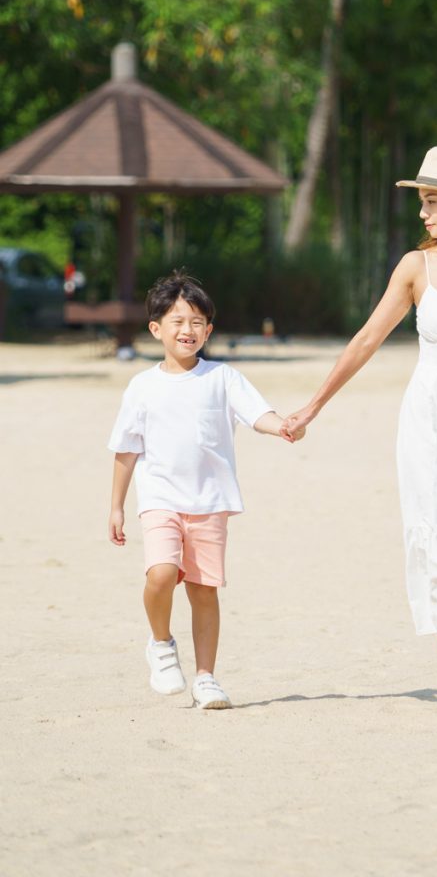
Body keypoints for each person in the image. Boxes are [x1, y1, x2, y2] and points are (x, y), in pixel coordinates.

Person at [282, 145, 437, 723]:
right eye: (421, 202)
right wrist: (314, 406)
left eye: (431, 201)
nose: (422, 213)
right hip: (431, 422)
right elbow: (366, 340)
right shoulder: (415, 267)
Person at [108, 270, 304, 710]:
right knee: (161, 574)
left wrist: (284, 427)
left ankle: (206, 678)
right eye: (177, 321)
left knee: (202, 590)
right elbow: (125, 449)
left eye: (197, 321)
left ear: (209, 329)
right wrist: (117, 507)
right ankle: (160, 644)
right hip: (159, 499)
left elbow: (259, 415)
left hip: (210, 503)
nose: (188, 330)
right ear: (156, 328)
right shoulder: (142, 386)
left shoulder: (223, 377)